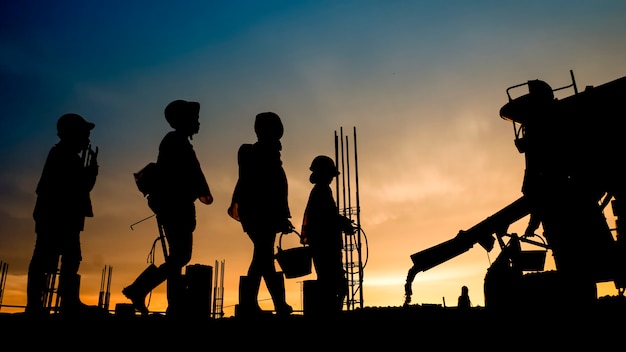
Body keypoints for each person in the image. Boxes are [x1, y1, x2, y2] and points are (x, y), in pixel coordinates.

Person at [123, 99, 213, 318]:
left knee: (178, 256)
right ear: (184, 121)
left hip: (176, 206)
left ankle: (173, 304)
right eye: (195, 119)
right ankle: (141, 289)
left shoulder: (176, 141)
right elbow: (190, 174)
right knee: (180, 256)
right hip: (176, 207)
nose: (199, 123)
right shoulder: (175, 142)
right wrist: (202, 191)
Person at [26, 113, 99, 316]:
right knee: (46, 259)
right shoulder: (63, 156)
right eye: (84, 134)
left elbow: (81, 188)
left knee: (68, 257)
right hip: (58, 217)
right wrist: (91, 172)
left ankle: (64, 302)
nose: (87, 139)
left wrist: (89, 172)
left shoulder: (66, 155)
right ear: (73, 134)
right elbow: (78, 188)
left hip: (62, 216)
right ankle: (40, 305)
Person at [228, 112, 294, 317]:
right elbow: (267, 190)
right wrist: (280, 217)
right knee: (263, 257)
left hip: (264, 214)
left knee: (262, 258)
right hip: (259, 214)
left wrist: (282, 216)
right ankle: (275, 304)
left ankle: (260, 303)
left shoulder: (271, 155)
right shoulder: (253, 153)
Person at [300, 155, 353, 315]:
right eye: (329, 174)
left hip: (323, 245)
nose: (331, 178)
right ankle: (330, 315)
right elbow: (327, 217)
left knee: (331, 283)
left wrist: (342, 222)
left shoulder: (320, 191)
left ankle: (329, 313)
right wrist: (343, 223)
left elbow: (328, 216)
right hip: (326, 246)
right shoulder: (321, 191)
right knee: (335, 284)